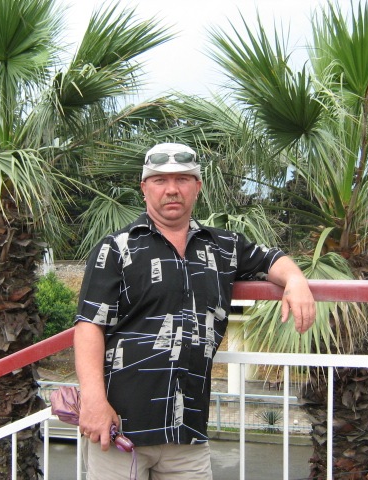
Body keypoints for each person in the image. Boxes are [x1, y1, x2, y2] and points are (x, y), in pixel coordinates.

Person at [74, 142, 316, 479]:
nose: (172, 189)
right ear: (144, 188)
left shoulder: (223, 247)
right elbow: (89, 325)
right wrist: (94, 402)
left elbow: (270, 259)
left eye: (183, 179)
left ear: (197, 186)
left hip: (187, 431)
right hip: (119, 428)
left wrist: (295, 280)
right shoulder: (116, 248)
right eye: (160, 180)